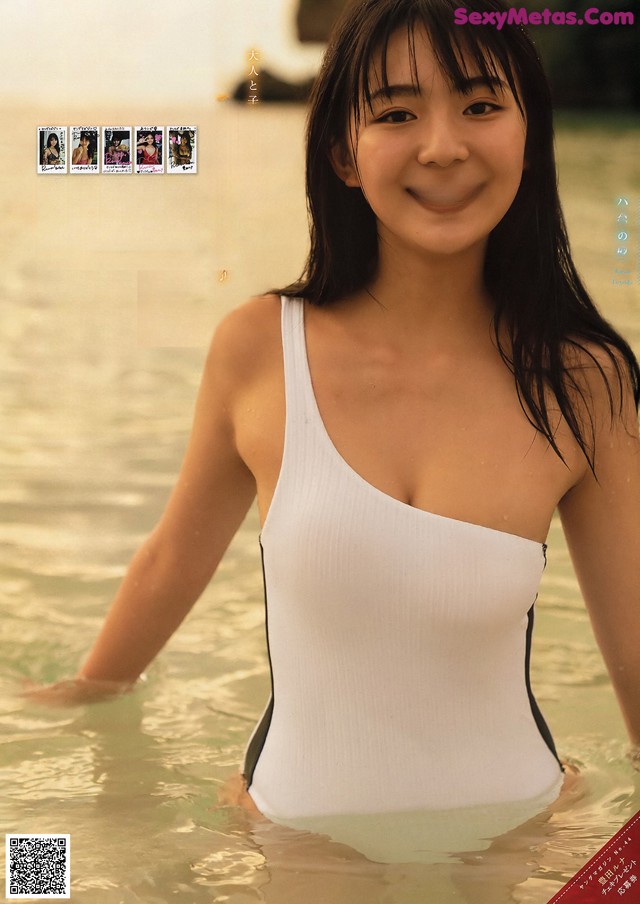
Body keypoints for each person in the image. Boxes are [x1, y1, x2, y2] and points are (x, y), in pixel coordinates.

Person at [26, 0, 640, 852]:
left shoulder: (584, 382)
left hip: (518, 840)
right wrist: (72, 706)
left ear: (529, 134)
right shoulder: (258, 349)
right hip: (296, 840)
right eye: (396, 113)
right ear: (344, 154)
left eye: (481, 105)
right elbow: (173, 555)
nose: (442, 145)